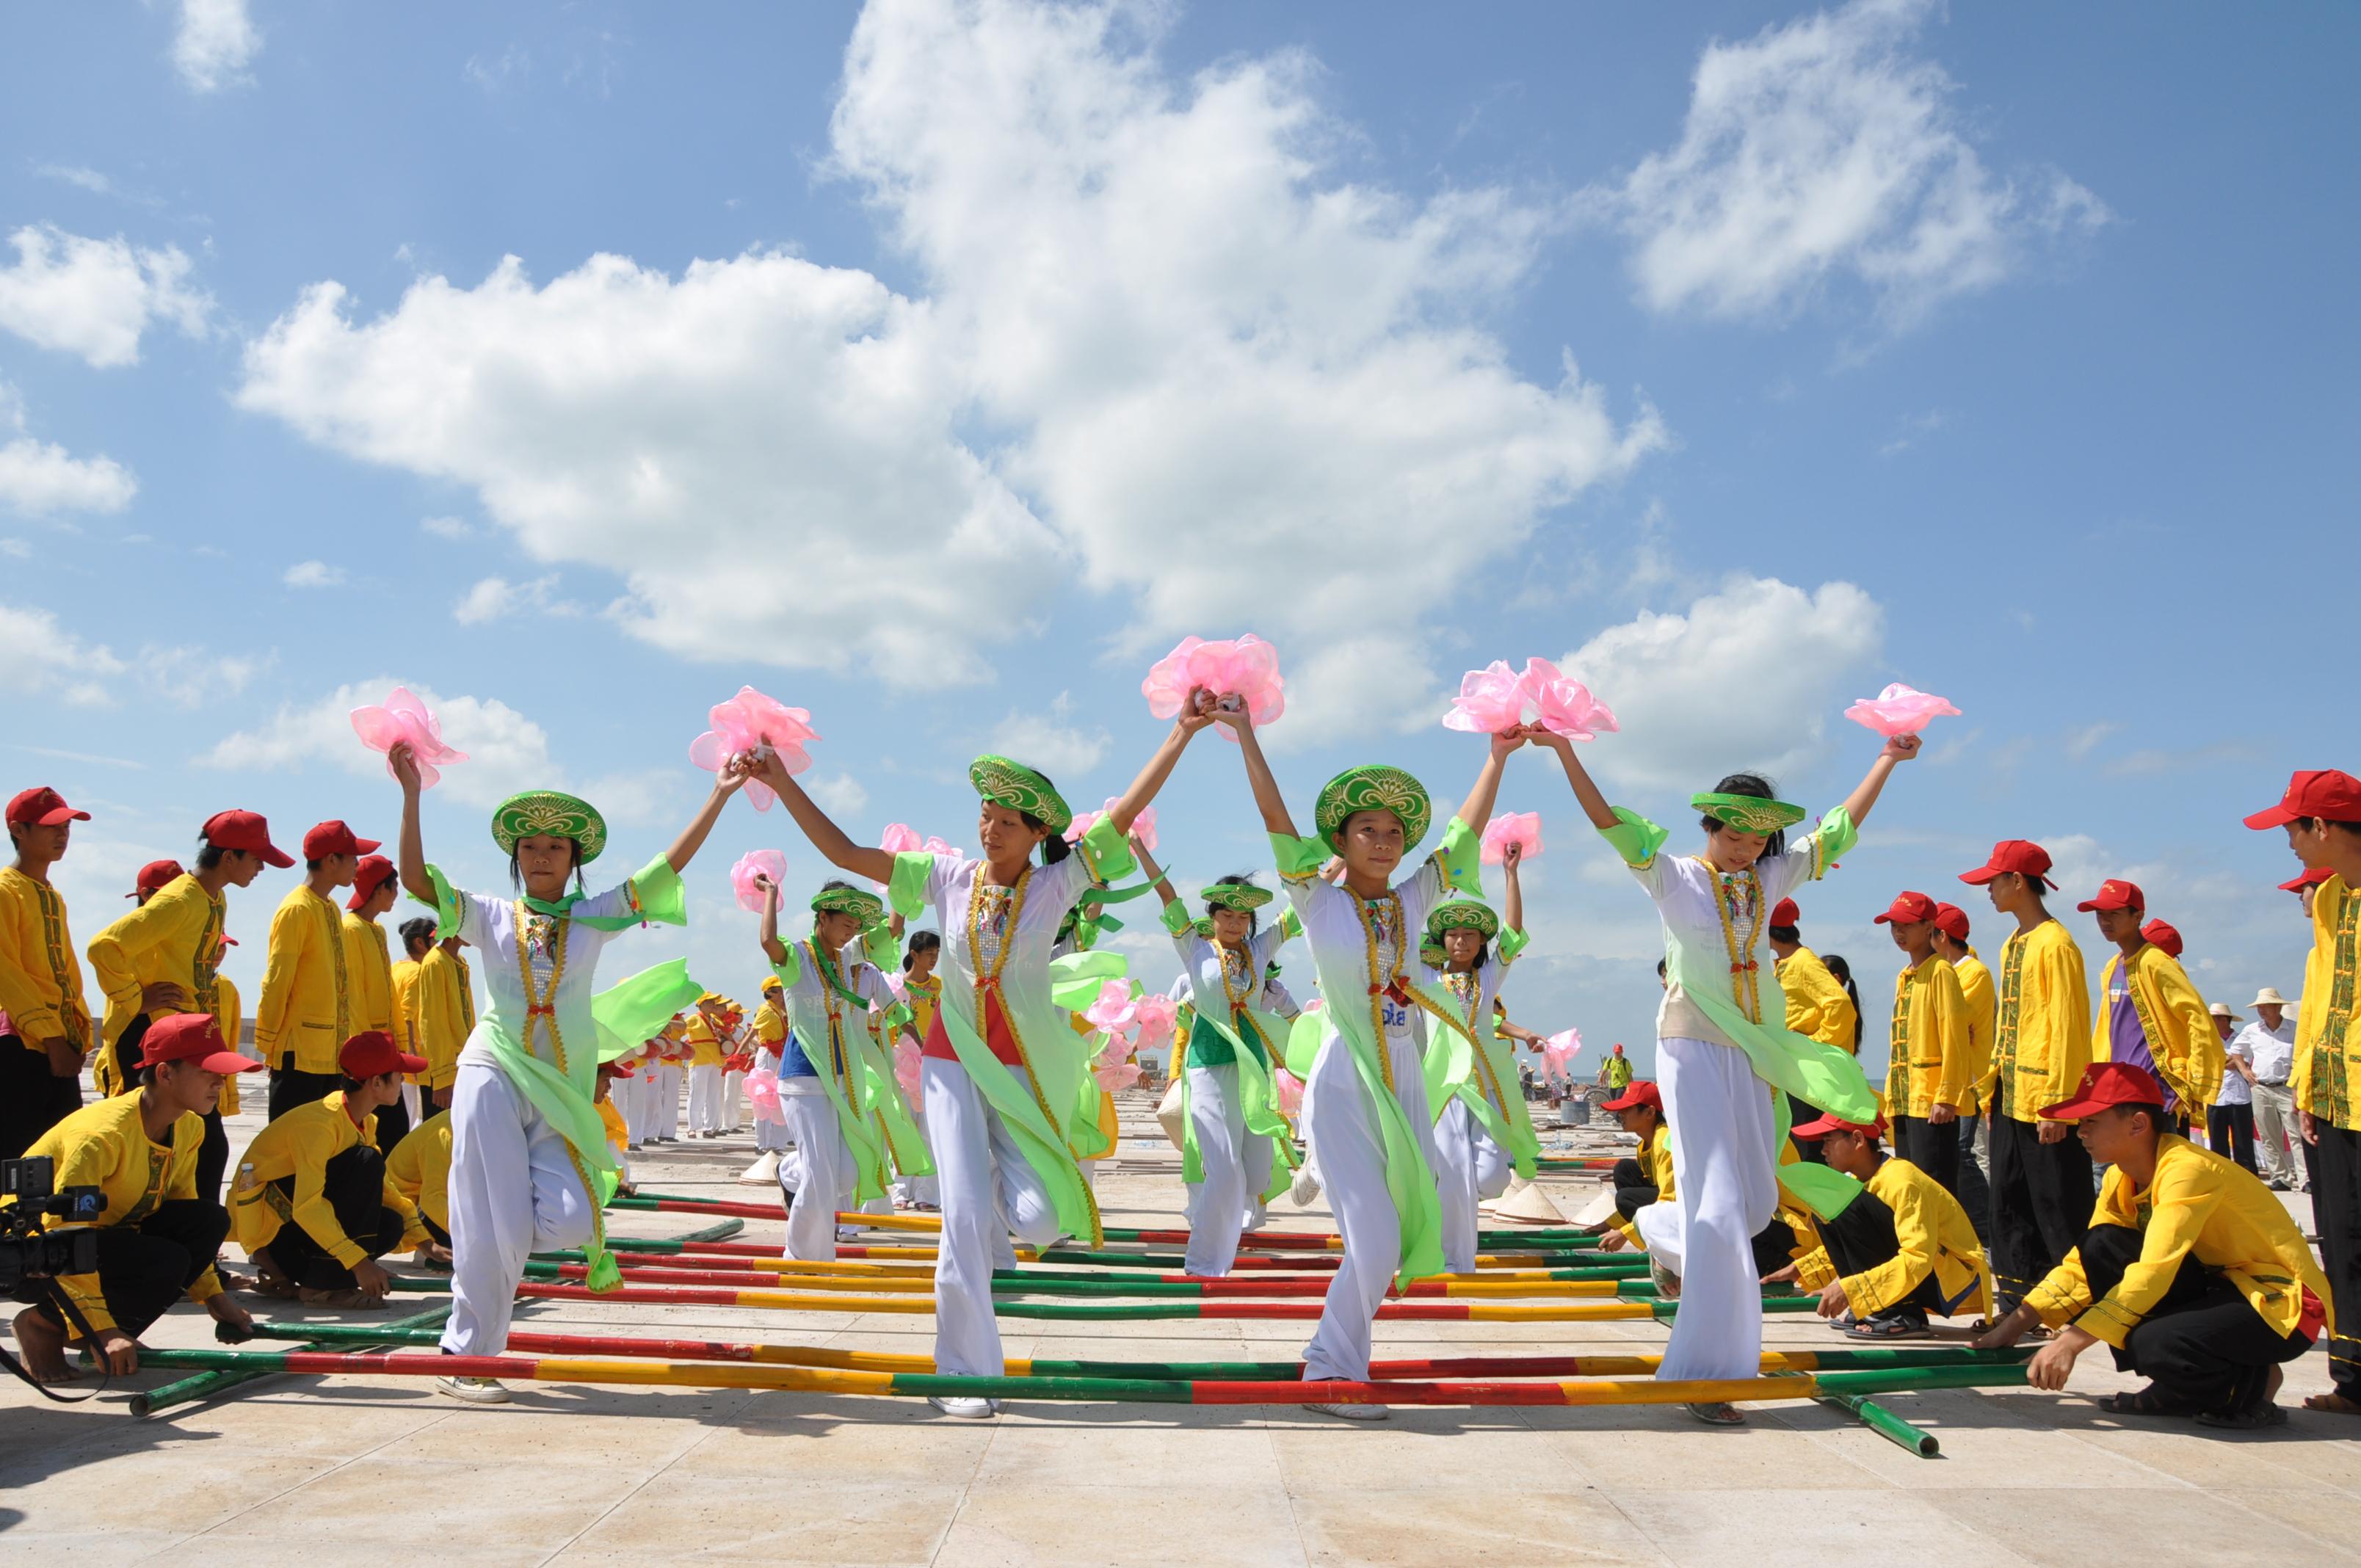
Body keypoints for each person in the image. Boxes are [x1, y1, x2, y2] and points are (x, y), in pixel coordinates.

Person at [744, 705, 1205, 1420]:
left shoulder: (1058, 884)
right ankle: (963, 1371)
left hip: (1022, 1072)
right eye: (986, 815)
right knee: (959, 1220)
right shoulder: (947, 877)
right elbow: (844, 852)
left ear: (1039, 835)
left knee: (1043, 1218)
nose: (990, 829)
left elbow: (1126, 811)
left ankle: (991, 1218)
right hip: (952, 1065)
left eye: (1008, 822)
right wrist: (779, 776)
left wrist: (1182, 731)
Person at [1542, 724, 1915, 1422]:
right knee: (1717, 1209)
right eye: (1733, 837)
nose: (1745, 851)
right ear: (1709, 826)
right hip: (1690, 1047)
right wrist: (1566, 751)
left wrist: (1886, 760)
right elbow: (1606, 821)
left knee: (1751, 1206)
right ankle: (1709, 1371)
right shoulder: (1673, 875)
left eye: (1756, 842)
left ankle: (1661, 1226)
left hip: (1754, 1051)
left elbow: (1837, 832)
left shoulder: (1770, 878)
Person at [391, 738, 748, 1403]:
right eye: (529, 848)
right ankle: (468, 1354)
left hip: (562, 1086)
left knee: (570, 1219)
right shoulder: (490, 915)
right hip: (495, 1068)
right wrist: (412, 794)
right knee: (486, 1217)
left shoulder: (594, 916)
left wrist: (720, 795)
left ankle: (491, 1293)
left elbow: (665, 867)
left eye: (556, 848)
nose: (542, 856)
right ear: (516, 859)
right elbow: (416, 880)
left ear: (575, 859)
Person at [1216, 699, 1520, 1421]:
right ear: (1343, 840)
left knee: (1400, 1230)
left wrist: (1497, 758)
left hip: (1406, 1081)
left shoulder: (1417, 900)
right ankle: (1328, 1370)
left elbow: (1462, 834)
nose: (1383, 842)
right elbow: (1278, 821)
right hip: (1346, 1081)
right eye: (1367, 831)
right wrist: (1248, 737)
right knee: (1377, 1239)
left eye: (1393, 833)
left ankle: (1334, 1361)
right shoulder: (1317, 903)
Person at [1971, 1061, 2329, 1429]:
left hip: (2280, 1303)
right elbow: (2082, 1265)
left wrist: (2070, 1343)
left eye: (2091, 1121)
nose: (2081, 1133)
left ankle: (2251, 1387)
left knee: (2154, 1344)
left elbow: (2154, 1271)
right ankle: (2183, 1385)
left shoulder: (2186, 1170)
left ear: (2137, 1124)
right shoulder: (2121, 1177)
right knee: (2101, 1245)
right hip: (2223, 1287)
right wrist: (2018, 1323)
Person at [5, 1012, 259, 1382]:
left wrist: (216, 1299)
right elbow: (64, 1233)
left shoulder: (188, 1127)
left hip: (104, 1241)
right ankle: (42, 1326)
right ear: (165, 1074)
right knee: (164, 1261)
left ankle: (95, 1329)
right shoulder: (102, 1136)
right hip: (32, 1252)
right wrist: (103, 1331)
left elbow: (184, 1212)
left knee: (207, 1220)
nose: (220, 1083)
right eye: (208, 1072)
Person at [88, 811, 291, 1205]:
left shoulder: (214, 897)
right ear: (228, 857)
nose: (261, 867)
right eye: (256, 858)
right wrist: (135, 999)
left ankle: (190, 1248)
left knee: (201, 1148)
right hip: (152, 1038)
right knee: (161, 1147)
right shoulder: (180, 899)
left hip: (183, 1042)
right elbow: (104, 947)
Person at [2244, 767, 2361, 1418]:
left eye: (2292, 828)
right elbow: (2319, 999)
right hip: (2340, 1096)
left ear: (2322, 826)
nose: (2288, 841)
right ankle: (2355, 1377)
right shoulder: (2333, 899)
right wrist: (2312, 1086)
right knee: (2345, 1235)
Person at [1136, 843, 1303, 1279]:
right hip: (1206, 1067)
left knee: (1254, 1173)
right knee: (1224, 1170)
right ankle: (1204, 1263)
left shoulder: (1259, 951)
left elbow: (1296, 911)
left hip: (1251, 1070)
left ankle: (1224, 1243)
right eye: (1226, 914)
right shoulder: (1195, 949)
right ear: (1212, 916)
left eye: (1243, 917)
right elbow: (1169, 897)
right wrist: (1142, 852)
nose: (1234, 923)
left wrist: (1336, 863)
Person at [753, 877, 925, 1260]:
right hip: (803, 1076)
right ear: (823, 917)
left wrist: (901, 887)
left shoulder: (853, 963)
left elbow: (892, 930)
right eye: (845, 923)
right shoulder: (797, 957)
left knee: (846, 1174)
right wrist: (771, 895)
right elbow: (768, 942)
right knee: (821, 1175)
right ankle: (803, 1255)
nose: (852, 932)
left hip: (845, 1077)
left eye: (856, 927)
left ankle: (789, 1172)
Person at [1962, 840, 2092, 1324]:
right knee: (2009, 1202)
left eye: (1994, 881)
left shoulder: (2056, 944)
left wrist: (2060, 1105)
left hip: (2045, 1100)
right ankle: (2019, 1304)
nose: (1989, 891)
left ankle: (2074, 1307)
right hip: (2009, 1094)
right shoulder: (2015, 943)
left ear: (2018, 882)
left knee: (2057, 1206)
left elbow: (2068, 1028)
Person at [233, 1029, 429, 1308]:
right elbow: (308, 1207)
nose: (403, 1080)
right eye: (399, 1074)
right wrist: (359, 1262)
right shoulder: (319, 1125)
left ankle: (336, 1276)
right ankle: (323, 1287)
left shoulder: (364, 1121)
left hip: (301, 1236)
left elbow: (384, 1190)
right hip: (276, 1240)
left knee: (391, 1225)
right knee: (365, 1162)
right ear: (376, 1082)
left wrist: (422, 1239)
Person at [1418, 849, 1539, 1277]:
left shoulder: (1488, 979)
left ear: (1481, 944)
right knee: (1453, 1175)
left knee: (1490, 1179)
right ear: (1443, 940)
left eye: (1472, 936)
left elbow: (1515, 931)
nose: (1462, 942)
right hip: (1444, 1090)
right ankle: (1455, 1261)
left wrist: (1511, 874)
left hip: (1486, 1087)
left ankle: (1439, 1207)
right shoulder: (1425, 979)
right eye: (1454, 934)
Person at [1791, 1110, 1992, 1340]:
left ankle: (1901, 1312)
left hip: (1952, 1279)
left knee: (1847, 1206)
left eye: (1828, 1141)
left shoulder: (1903, 1181)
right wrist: (1798, 1270)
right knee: (1829, 1206)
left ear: (1858, 1140)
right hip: (1930, 1270)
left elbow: (1918, 1257)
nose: (1823, 1150)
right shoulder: (1866, 1179)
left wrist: (1853, 1290)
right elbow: (1859, 1237)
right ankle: (1876, 1309)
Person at [258, 821, 380, 1121]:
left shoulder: (330, 908)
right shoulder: (298, 908)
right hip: (298, 1053)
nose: (357, 865)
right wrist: (268, 1043)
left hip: (328, 1053)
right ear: (331, 860)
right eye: (352, 858)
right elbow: (277, 979)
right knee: (290, 1149)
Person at [2081, 879, 2221, 1131]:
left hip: (2155, 1093)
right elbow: (2107, 1031)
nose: (2105, 921)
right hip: (2118, 1091)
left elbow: (2198, 1019)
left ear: (2138, 916)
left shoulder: (2155, 962)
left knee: (2158, 1169)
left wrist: (2193, 1083)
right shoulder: (2114, 965)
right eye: (2100, 915)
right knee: (2117, 1170)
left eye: (2114, 913)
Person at [1, 787, 94, 1161]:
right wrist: (53, 1038)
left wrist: (76, 1032)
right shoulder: (7, 891)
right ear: (18, 831)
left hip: (57, 1045)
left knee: (60, 1160)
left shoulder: (52, 896)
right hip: (22, 1045)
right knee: (18, 1162)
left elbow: (66, 974)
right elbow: (7, 973)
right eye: (50, 826)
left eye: (66, 826)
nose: (63, 835)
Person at [1874, 890, 1971, 1201]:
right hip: (1905, 1098)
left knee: (1936, 1189)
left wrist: (1947, 1095)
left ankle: (1949, 1250)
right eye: (1893, 926)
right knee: (1911, 1185)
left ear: (1929, 927)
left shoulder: (1941, 971)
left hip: (1931, 1101)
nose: (1898, 933)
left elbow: (1955, 1038)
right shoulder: (1907, 975)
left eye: (1906, 925)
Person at [1930, 902, 1995, 1244]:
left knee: (1962, 1152)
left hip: (1969, 1077)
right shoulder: (1946, 971)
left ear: (1942, 936)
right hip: (1949, 1074)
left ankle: (1984, 1227)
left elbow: (1952, 1022)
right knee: (1960, 1152)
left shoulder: (1973, 973)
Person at [344, 854, 405, 1150]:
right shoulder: (351, 929)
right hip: (369, 1054)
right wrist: (365, 1050)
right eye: (394, 888)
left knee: (395, 1130)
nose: (396, 896)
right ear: (379, 890)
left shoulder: (377, 930)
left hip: (384, 1046)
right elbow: (353, 993)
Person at [1589, 1080, 1670, 1245]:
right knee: (1624, 1169)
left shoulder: (1665, 1143)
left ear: (1649, 1112)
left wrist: (1626, 1233)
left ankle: (1654, 1237)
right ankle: (1645, 1232)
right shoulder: (1644, 1144)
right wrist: (1609, 1224)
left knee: (1624, 1198)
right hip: (1665, 1200)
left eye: (1627, 1109)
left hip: (1680, 1208)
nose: (1621, 1114)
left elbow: (1670, 1201)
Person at [2237, 986, 2302, 1191]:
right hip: (2261, 1087)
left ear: (2277, 1008)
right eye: (2259, 1007)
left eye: (2266, 1006)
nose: (2261, 1010)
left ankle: (2306, 1177)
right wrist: (2245, 1070)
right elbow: (2237, 1052)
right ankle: (2281, 1177)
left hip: (2287, 1087)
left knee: (2296, 1134)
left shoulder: (2294, 1029)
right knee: (2268, 1135)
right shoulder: (2252, 1030)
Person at [384, 1105, 455, 1270]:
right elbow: (433, 1197)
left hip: (419, 1203)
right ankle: (430, 1246)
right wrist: (469, 1235)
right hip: (400, 1212)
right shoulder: (446, 1133)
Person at [416, 927, 474, 1114]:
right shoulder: (435, 962)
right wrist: (442, 1078)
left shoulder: (461, 962)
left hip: (462, 1063)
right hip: (442, 1068)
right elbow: (432, 1022)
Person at [740, 975, 793, 1185]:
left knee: (778, 1097)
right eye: (778, 990)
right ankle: (762, 1142)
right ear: (769, 992)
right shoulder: (765, 1009)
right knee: (762, 1095)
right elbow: (752, 1032)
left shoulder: (782, 1011)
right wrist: (738, 1053)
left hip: (779, 1054)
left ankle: (777, 1141)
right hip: (767, 1053)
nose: (782, 994)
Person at [391, 915, 435, 1128]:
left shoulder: (396, 968)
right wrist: (412, 1053)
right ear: (420, 942)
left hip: (396, 1054)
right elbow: (407, 1015)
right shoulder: (419, 972)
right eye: (434, 938)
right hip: (415, 1058)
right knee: (415, 1118)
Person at [2208, 1003, 2257, 1173]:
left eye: (2214, 1019)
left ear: (2224, 1020)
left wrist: (2234, 1061)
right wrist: (2232, 1060)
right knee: (2217, 1140)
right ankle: (2222, 1173)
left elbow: (2249, 1061)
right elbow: (2207, 1063)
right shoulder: (2207, 1040)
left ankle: (2247, 1172)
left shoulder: (2242, 1039)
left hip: (2240, 1094)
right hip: (2216, 1094)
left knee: (2243, 1138)